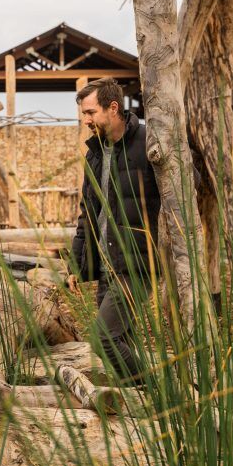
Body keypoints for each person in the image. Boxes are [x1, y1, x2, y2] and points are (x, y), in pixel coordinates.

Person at [67, 78, 160, 384]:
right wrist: (76, 263)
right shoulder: (95, 154)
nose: (86, 120)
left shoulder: (149, 141)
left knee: (102, 338)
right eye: (83, 113)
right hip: (108, 264)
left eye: (91, 112)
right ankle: (146, 408)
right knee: (123, 341)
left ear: (113, 108)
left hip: (138, 264)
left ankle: (156, 389)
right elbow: (88, 213)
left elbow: (188, 184)